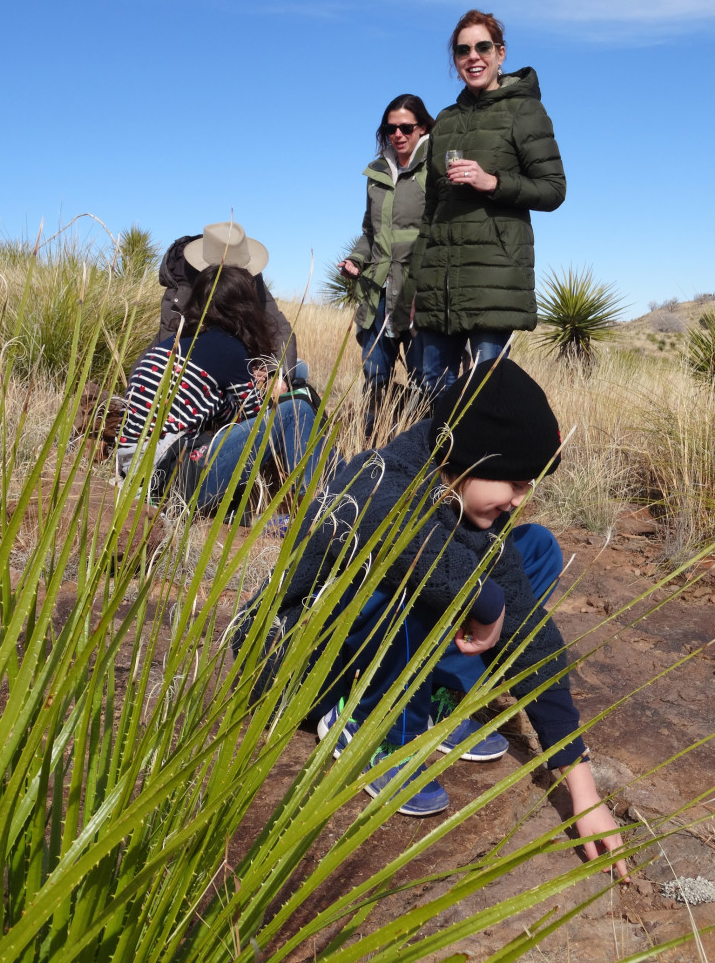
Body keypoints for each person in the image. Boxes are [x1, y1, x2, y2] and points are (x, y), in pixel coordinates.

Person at [234, 359, 627, 878]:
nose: (520, 496)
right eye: (511, 480)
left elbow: (529, 632)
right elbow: (417, 551)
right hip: (299, 664)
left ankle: (433, 696)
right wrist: (485, 606)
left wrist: (580, 784)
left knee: (534, 549)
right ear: (462, 456)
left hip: (370, 648)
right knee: (421, 572)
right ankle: (372, 729)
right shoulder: (378, 482)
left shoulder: (469, 499)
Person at [409, 10, 566, 396]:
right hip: (440, 286)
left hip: (495, 279)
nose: (473, 57)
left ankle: (483, 459)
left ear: (500, 53)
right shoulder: (444, 121)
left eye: (482, 47)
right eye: (463, 50)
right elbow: (430, 211)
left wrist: (492, 182)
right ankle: (440, 460)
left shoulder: (524, 110)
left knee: (484, 396)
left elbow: (553, 189)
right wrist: (418, 285)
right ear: (456, 60)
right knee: (433, 388)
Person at [117, 262, 320, 514]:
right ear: (243, 308)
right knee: (296, 410)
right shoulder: (228, 348)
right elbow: (254, 417)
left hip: (138, 470)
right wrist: (267, 390)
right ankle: (329, 500)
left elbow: (220, 412)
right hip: (173, 477)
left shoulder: (175, 342)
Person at [338, 95, 435, 435]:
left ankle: (427, 457)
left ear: (422, 127)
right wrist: (355, 259)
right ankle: (370, 451)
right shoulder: (377, 173)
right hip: (378, 290)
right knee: (375, 378)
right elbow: (370, 231)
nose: (398, 134)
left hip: (419, 291)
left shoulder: (435, 166)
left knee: (427, 380)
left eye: (406, 127)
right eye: (390, 128)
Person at [154, 221, 301, 387]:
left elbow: (281, 329)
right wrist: (242, 374)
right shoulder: (182, 293)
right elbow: (179, 359)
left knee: (298, 368)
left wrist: (275, 374)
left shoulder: (250, 277)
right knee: (299, 408)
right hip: (197, 382)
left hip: (237, 365)